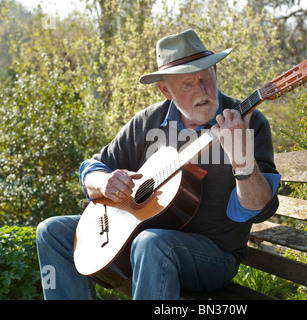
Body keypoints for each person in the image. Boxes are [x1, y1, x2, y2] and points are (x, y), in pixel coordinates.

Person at [36, 29, 281, 300]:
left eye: (205, 78)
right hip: (139, 239)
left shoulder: (247, 123)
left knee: (152, 243)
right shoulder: (147, 122)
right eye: (187, 85)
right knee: (52, 231)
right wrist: (103, 182)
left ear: (215, 71)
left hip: (213, 255)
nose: (202, 91)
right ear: (165, 89)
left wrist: (242, 162)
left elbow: (260, 210)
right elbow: (91, 167)